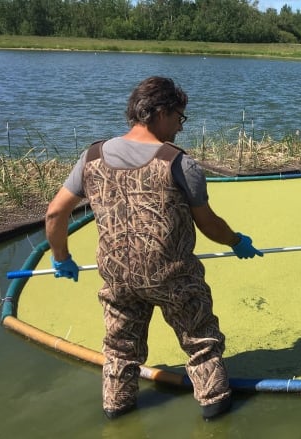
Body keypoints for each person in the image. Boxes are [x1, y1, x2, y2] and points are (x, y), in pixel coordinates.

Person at [44, 76, 262, 421]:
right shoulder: (178, 163)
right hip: (173, 277)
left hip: (117, 278)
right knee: (200, 339)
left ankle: (117, 409)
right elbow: (208, 224)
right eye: (179, 117)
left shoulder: (92, 156)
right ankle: (214, 406)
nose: (180, 126)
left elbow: (56, 212)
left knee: (119, 349)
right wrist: (236, 241)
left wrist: (61, 258)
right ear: (160, 113)